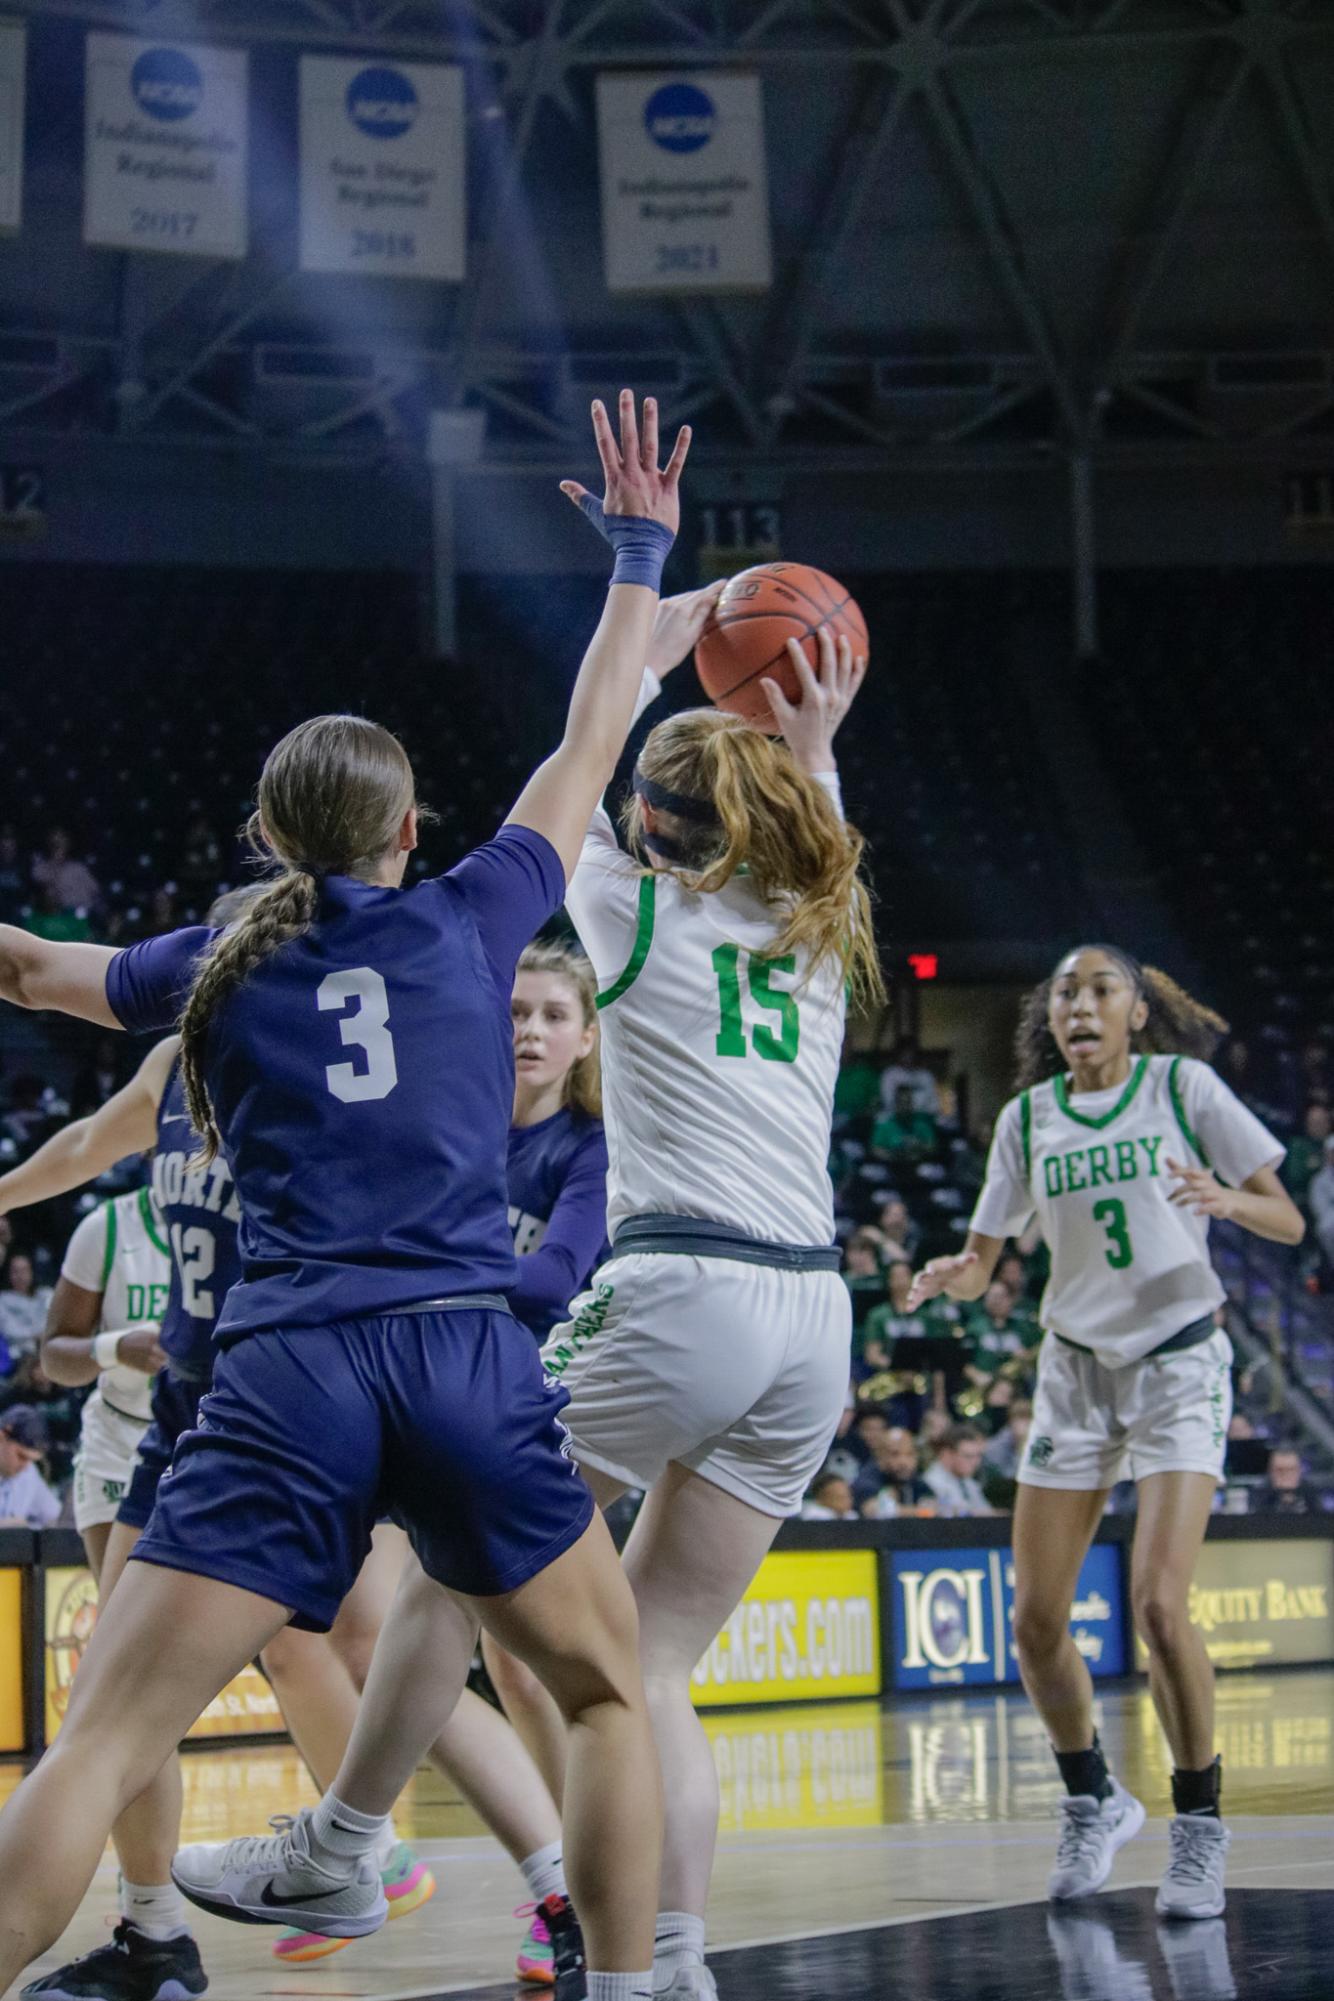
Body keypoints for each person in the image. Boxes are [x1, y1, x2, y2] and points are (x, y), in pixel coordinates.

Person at [0, 389, 690, 2001]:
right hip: (461, 1353)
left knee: (99, 1741)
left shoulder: (212, 967)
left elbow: (30, 967)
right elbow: (595, 731)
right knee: (600, 1700)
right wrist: (640, 550)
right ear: (404, 828)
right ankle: (636, 1984)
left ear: (265, 835)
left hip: (287, 1367)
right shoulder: (475, 912)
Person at [908, 944, 1304, 1922]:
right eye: (1062, 995)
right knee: (1035, 1622)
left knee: (1157, 1605)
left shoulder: (1183, 1087)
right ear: (1049, 1021)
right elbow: (983, 1254)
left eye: (1098, 991)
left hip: (1175, 1361)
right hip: (1073, 1369)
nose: (1077, 1006)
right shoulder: (1026, 1119)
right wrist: (952, 1275)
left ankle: (1199, 1828)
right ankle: (1092, 1798)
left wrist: (1225, 1200)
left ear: (1135, 1012)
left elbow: (1286, 1220)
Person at [42, 1188, 170, 1577]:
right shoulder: (107, 1226)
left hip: (207, 1439)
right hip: (119, 1439)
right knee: (118, 1616)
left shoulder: (244, 1218)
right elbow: (53, 1358)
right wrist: (117, 1347)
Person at [508, 939, 610, 1341]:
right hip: (469, 1335)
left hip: (551, 1352)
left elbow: (556, 1278)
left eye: (554, 1016)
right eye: (516, 1013)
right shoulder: (463, 1130)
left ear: (586, 1038)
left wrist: (439, 1269)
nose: (531, 1031)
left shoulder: (595, 1147)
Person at [0, 1405, 60, 1527]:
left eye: (30, 1460)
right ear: (1, 1437)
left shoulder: (28, 1473)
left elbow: (54, 1518)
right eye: (21, 1456)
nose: (25, 1466)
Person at [856, 1426, 932, 1516]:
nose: (903, 1462)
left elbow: (933, 1504)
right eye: (895, 1454)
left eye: (909, 1454)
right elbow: (873, 1510)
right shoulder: (867, 1480)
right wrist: (920, 1512)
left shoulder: (914, 1480)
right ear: (880, 1456)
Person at [922, 1423, 991, 1516]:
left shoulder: (968, 1482)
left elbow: (987, 1512)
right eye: (968, 1456)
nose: (975, 1463)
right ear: (947, 1454)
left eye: (978, 1456)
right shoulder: (931, 1482)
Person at [0, 1252, 53, 1359]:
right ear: (8, 1274)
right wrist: (37, 1335)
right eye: (15, 1271)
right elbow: (9, 1330)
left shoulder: (46, 1294)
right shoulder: (3, 1299)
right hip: (19, 1356)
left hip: (49, 1351)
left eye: (24, 1270)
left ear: (32, 1272)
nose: (20, 1276)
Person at [870, 1083, 938, 1163]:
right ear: (895, 1104)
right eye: (901, 1103)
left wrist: (920, 1146)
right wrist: (893, 1155)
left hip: (918, 1165)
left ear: (912, 1104)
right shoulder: (885, 1125)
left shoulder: (922, 1125)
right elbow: (876, 1148)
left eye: (907, 1103)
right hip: (892, 1165)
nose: (904, 1107)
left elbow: (932, 1147)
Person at [1250, 1446, 1325, 1516]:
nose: (1285, 1475)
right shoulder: (1260, 1493)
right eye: (1280, 1470)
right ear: (1271, 1472)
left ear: (1299, 1471)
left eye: (1291, 1470)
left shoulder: (1311, 1492)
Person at [878, 1035, 940, 1117]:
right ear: (898, 1054)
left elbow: (933, 1103)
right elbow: (889, 1101)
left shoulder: (926, 1075)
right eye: (904, 1053)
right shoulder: (890, 1074)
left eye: (911, 1053)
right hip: (896, 1119)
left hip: (922, 1119)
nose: (908, 1056)